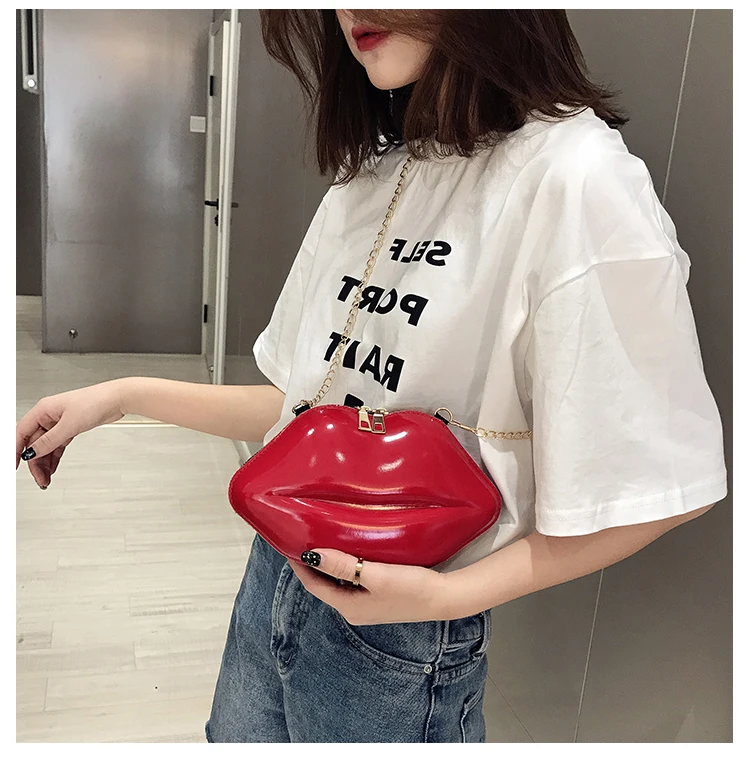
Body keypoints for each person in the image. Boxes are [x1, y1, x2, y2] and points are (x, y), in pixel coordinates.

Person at [16, 9, 727, 744]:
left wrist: (443, 599)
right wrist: (121, 397)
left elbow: (660, 488)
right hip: (275, 577)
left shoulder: (576, 178)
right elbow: (299, 408)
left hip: (402, 643)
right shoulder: (375, 174)